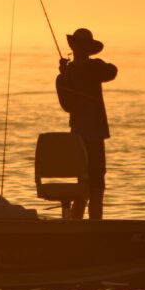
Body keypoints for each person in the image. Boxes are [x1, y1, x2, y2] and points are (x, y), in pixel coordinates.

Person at [56, 28, 118, 220]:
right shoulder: (66, 76)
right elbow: (67, 105)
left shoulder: (92, 68)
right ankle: (83, 224)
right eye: (81, 45)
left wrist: (72, 73)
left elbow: (112, 72)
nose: (82, 49)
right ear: (75, 47)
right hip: (84, 135)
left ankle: (91, 222)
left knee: (94, 183)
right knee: (88, 183)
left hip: (90, 134)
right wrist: (68, 76)